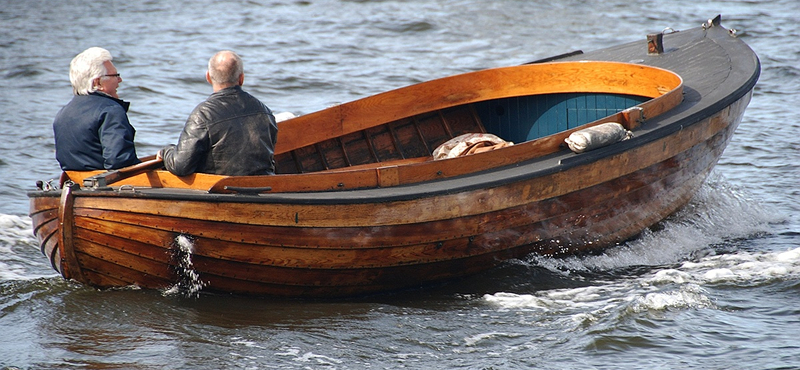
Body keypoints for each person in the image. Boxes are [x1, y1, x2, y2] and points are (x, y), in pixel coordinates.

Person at [159, 50, 278, 176]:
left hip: (221, 189)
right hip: (264, 186)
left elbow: (180, 166)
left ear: (208, 77)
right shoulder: (265, 112)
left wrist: (165, 152)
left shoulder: (203, 114)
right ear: (241, 78)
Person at [53, 47, 140, 171]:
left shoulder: (63, 113)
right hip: (107, 185)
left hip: (75, 183)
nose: (120, 80)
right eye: (115, 76)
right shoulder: (111, 110)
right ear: (97, 83)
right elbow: (120, 162)